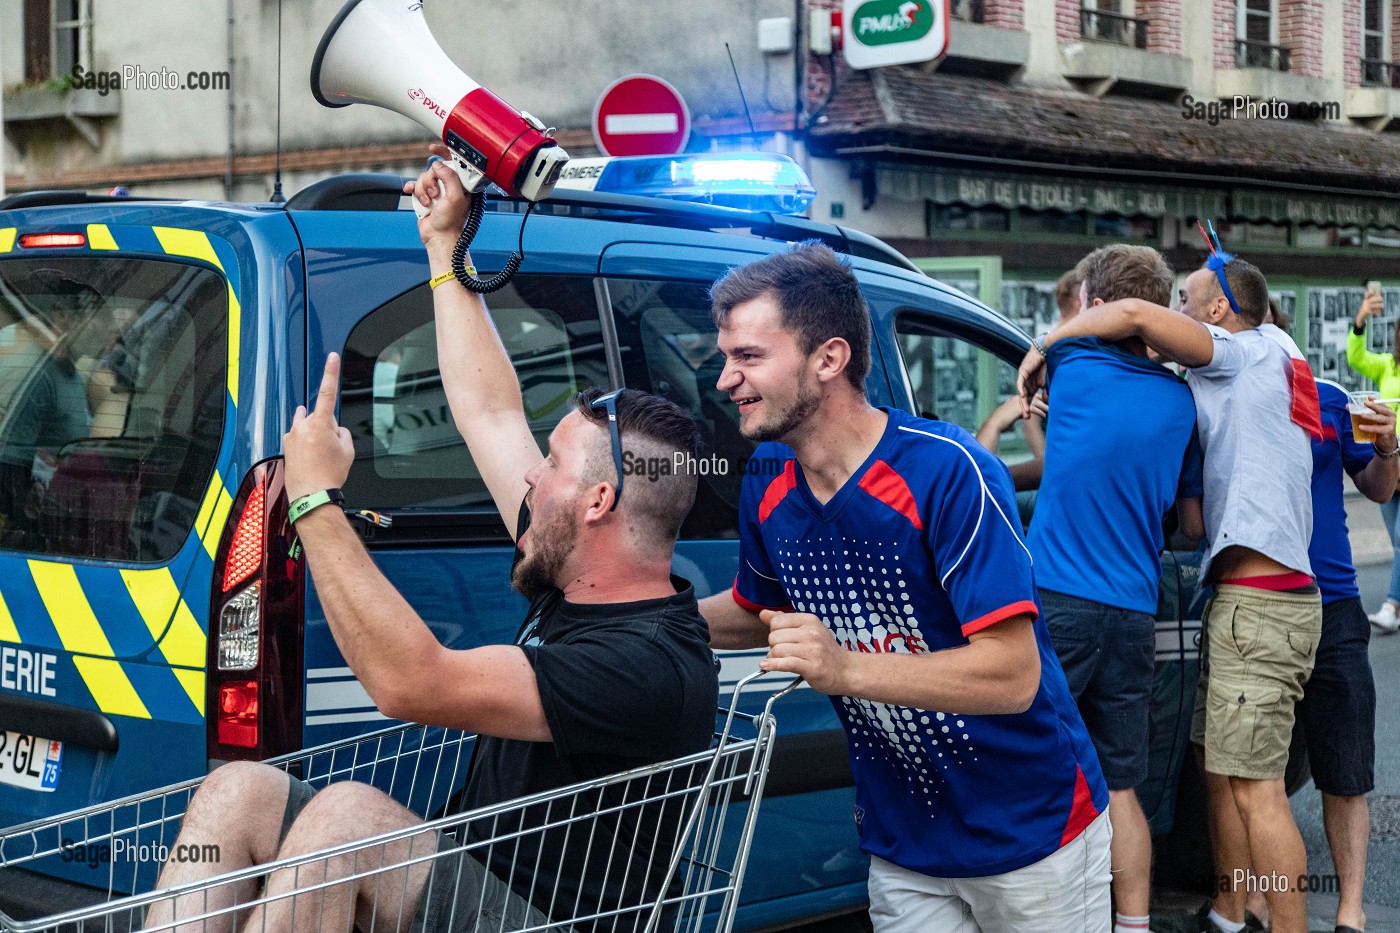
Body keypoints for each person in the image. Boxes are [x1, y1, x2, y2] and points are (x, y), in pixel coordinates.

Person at [145, 156, 719, 933]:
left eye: (549, 463)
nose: (531, 476)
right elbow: (489, 408)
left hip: (547, 921)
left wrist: (312, 500)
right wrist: (445, 251)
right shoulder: (579, 565)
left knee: (346, 821)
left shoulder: (646, 665)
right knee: (238, 788)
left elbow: (410, 681)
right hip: (473, 878)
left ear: (598, 502)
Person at [700, 242, 1112, 932]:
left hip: (1029, 831)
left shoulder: (948, 472)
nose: (724, 379)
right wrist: (648, 616)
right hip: (904, 840)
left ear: (828, 359)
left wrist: (844, 667)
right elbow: (756, 608)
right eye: (726, 357)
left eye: (747, 356)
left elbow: (1012, 673)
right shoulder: (768, 474)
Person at [1018, 252, 1320, 933]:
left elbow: (1123, 317)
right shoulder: (1236, 371)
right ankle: (1203, 916)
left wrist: (1043, 348)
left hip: (1233, 601)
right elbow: (1192, 522)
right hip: (1172, 604)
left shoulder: (1100, 364)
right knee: (1181, 777)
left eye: (1189, 301)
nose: (1177, 315)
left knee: (1257, 793)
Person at [1025, 244, 1203, 933]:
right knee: (1121, 783)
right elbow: (1190, 526)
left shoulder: (1072, 364)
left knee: (1036, 763)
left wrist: (1047, 354)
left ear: (1091, 306)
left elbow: (1053, 375)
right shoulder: (1182, 401)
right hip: (1135, 607)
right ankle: (1132, 925)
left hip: (1058, 601)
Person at [975, 265, 1084, 492]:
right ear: (1080, 302)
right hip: (1059, 473)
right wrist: (1051, 468)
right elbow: (1029, 420)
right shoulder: (1055, 352)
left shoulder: (1043, 344)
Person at [1345, 286, 1400, 631]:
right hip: (1392, 460)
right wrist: (1361, 320)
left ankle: (1392, 607)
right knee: (1396, 541)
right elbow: (1356, 357)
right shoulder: (1388, 367)